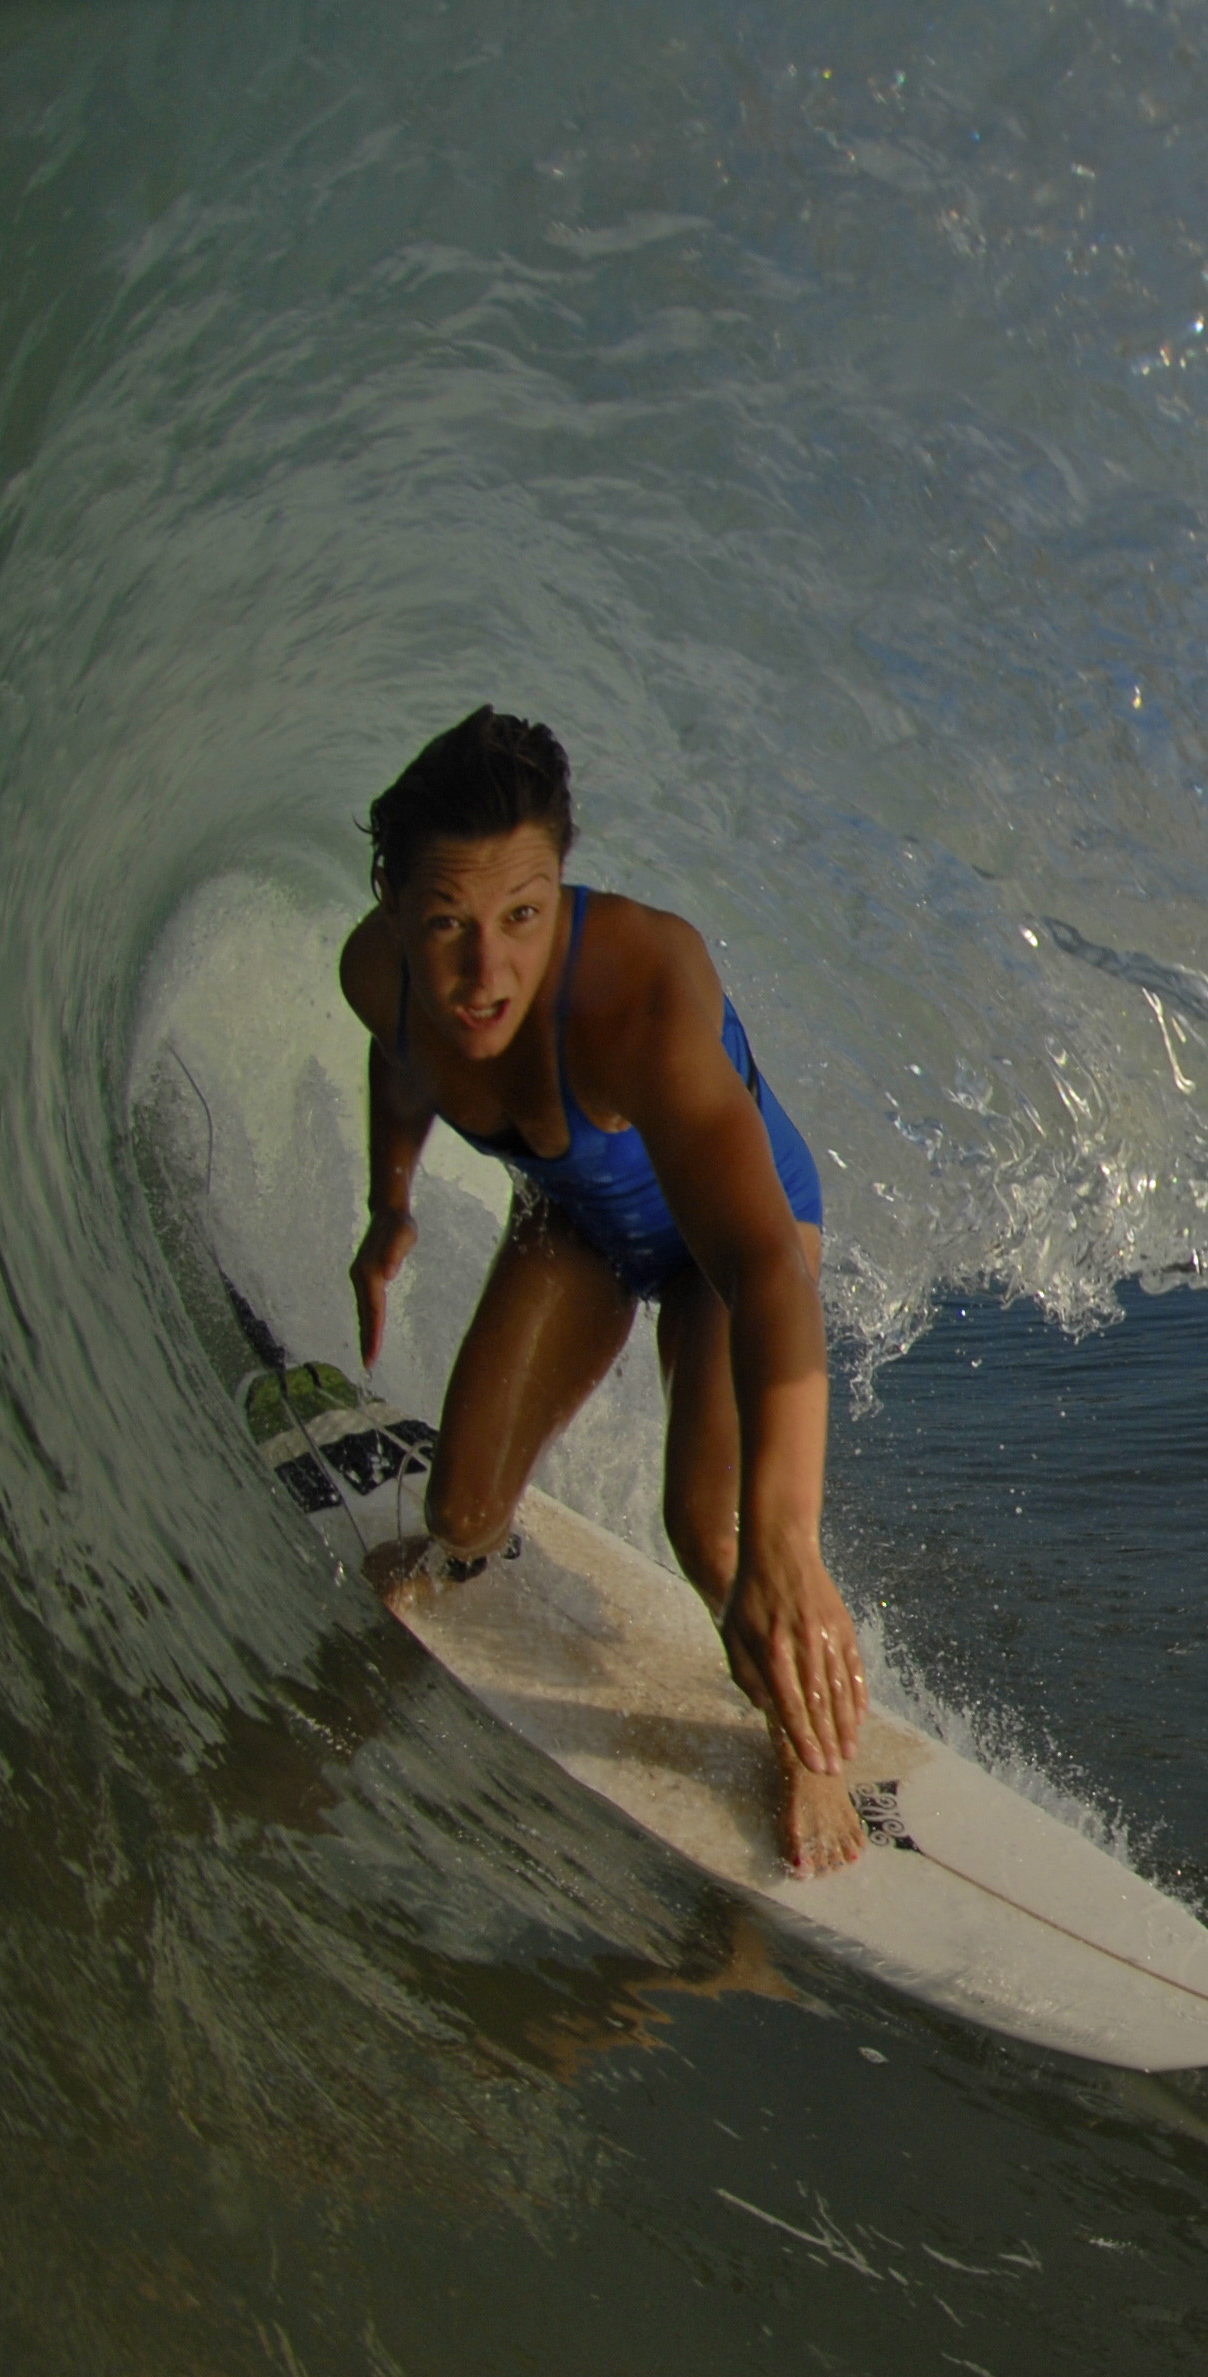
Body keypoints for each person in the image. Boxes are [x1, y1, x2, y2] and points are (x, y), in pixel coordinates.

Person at [338, 706, 871, 1874]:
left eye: (524, 916)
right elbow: (403, 1060)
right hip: (579, 1223)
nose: (488, 970)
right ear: (390, 906)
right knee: (460, 1519)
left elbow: (766, 1267)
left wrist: (788, 1539)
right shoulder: (377, 974)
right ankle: (470, 1554)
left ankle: (816, 1753)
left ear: (561, 885)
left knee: (711, 1534)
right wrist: (392, 1205)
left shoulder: (638, 990)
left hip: (731, 1247)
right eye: (448, 925)